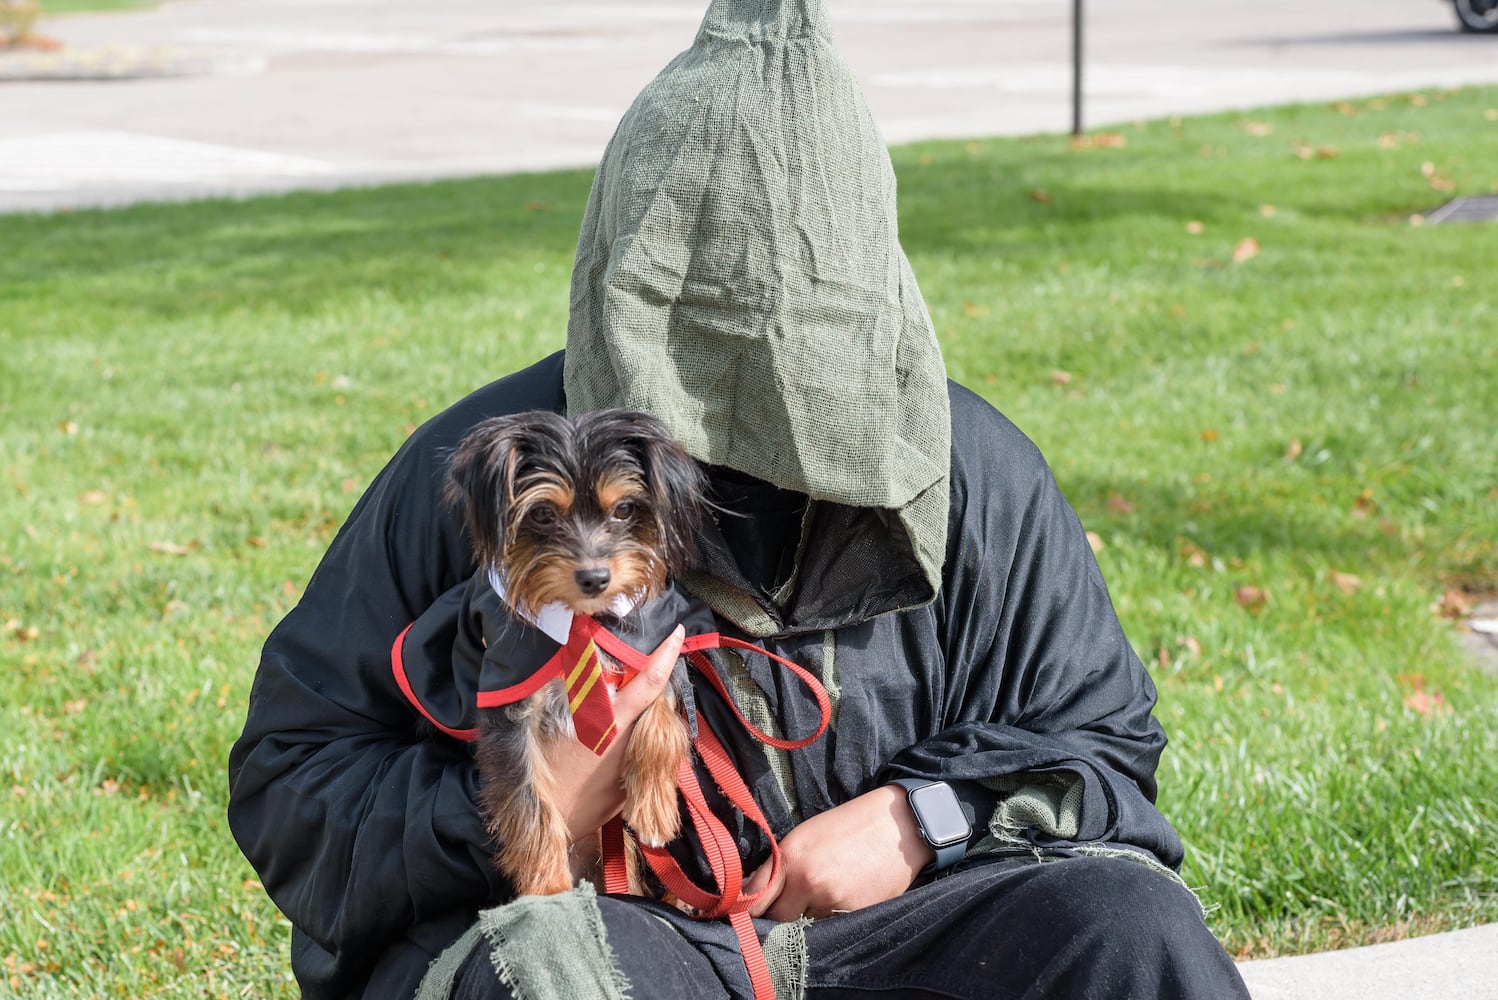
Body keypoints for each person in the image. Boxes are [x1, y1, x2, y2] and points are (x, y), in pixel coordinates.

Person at [227, 1, 1253, 997]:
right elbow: (292, 781)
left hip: (906, 928)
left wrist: (922, 816)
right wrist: (527, 803)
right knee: (540, 971)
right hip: (606, 939)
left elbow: (1104, 744)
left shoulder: (973, 468)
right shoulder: (490, 475)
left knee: (1131, 928)